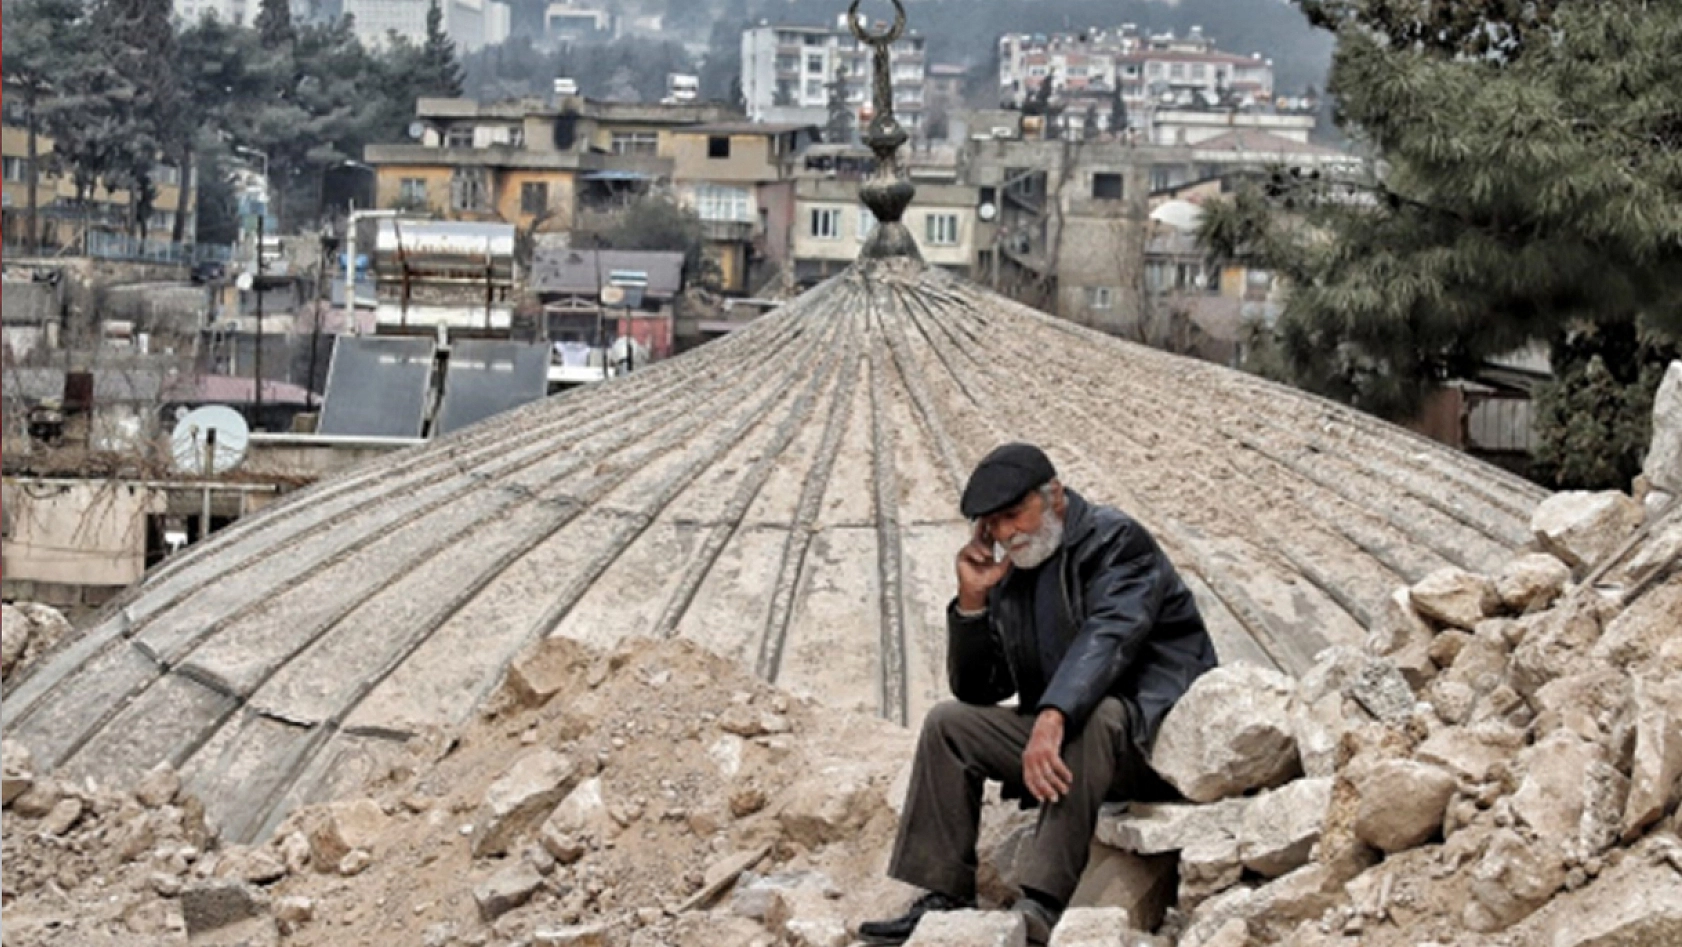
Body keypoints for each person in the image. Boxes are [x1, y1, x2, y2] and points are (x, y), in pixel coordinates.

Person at [858, 443, 1218, 945]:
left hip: (1152, 741)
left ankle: (1040, 907)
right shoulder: (1017, 571)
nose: (1006, 533)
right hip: (1074, 741)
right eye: (993, 524)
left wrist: (1053, 716)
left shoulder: (1116, 541)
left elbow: (1109, 637)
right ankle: (944, 896)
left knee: (1094, 714)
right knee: (948, 724)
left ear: (1055, 496)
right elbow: (982, 688)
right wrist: (972, 604)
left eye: (1014, 514)